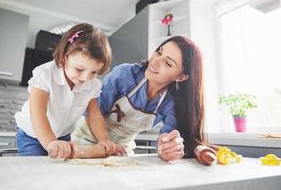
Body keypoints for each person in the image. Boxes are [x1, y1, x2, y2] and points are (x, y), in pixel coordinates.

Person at [71, 35, 216, 165]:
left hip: (121, 152)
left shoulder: (171, 103)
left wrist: (167, 150)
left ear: (181, 77)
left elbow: (164, 143)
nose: (155, 61)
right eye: (159, 52)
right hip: (85, 142)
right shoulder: (125, 75)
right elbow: (93, 112)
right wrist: (105, 143)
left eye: (168, 63)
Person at [15, 23, 124, 158]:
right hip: (32, 136)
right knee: (37, 170)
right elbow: (37, 113)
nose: (85, 78)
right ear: (64, 56)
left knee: (62, 172)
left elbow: (94, 114)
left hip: (63, 137)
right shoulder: (45, 75)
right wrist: (50, 142)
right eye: (79, 69)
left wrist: (104, 140)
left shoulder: (93, 84)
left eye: (94, 72)